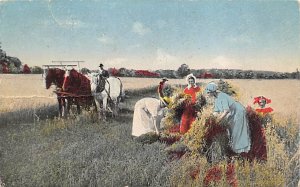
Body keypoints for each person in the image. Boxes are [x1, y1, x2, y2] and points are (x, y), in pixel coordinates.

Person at [205, 82, 251, 154]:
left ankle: (240, 150)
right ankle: (235, 149)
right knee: (232, 130)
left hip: (238, 111)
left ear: (213, 92)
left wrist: (218, 120)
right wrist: (211, 117)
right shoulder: (216, 98)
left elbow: (226, 111)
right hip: (232, 113)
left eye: (208, 92)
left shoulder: (221, 96)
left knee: (237, 130)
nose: (207, 94)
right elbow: (216, 111)